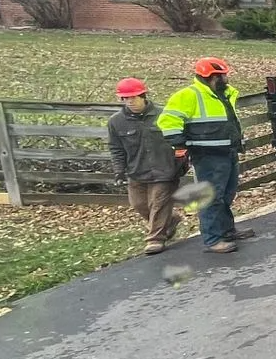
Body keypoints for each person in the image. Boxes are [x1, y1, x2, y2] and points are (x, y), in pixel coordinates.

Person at [157, 57, 255, 254]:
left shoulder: (222, 94)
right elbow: (167, 120)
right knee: (211, 196)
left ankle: (227, 230)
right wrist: (180, 143)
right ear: (211, 77)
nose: (227, 79)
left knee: (227, 194)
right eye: (223, 75)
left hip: (227, 151)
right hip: (207, 155)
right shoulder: (188, 95)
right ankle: (213, 239)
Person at [106, 78, 181, 255]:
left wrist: (181, 161)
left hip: (165, 169)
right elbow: (116, 148)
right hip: (136, 170)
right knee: (139, 205)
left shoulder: (164, 114)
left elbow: (179, 139)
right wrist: (119, 170)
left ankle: (155, 239)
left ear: (143, 95)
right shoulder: (116, 122)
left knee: (158, 203)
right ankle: (170, 221)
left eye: (133, 97)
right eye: (125, 98)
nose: (130, 101)